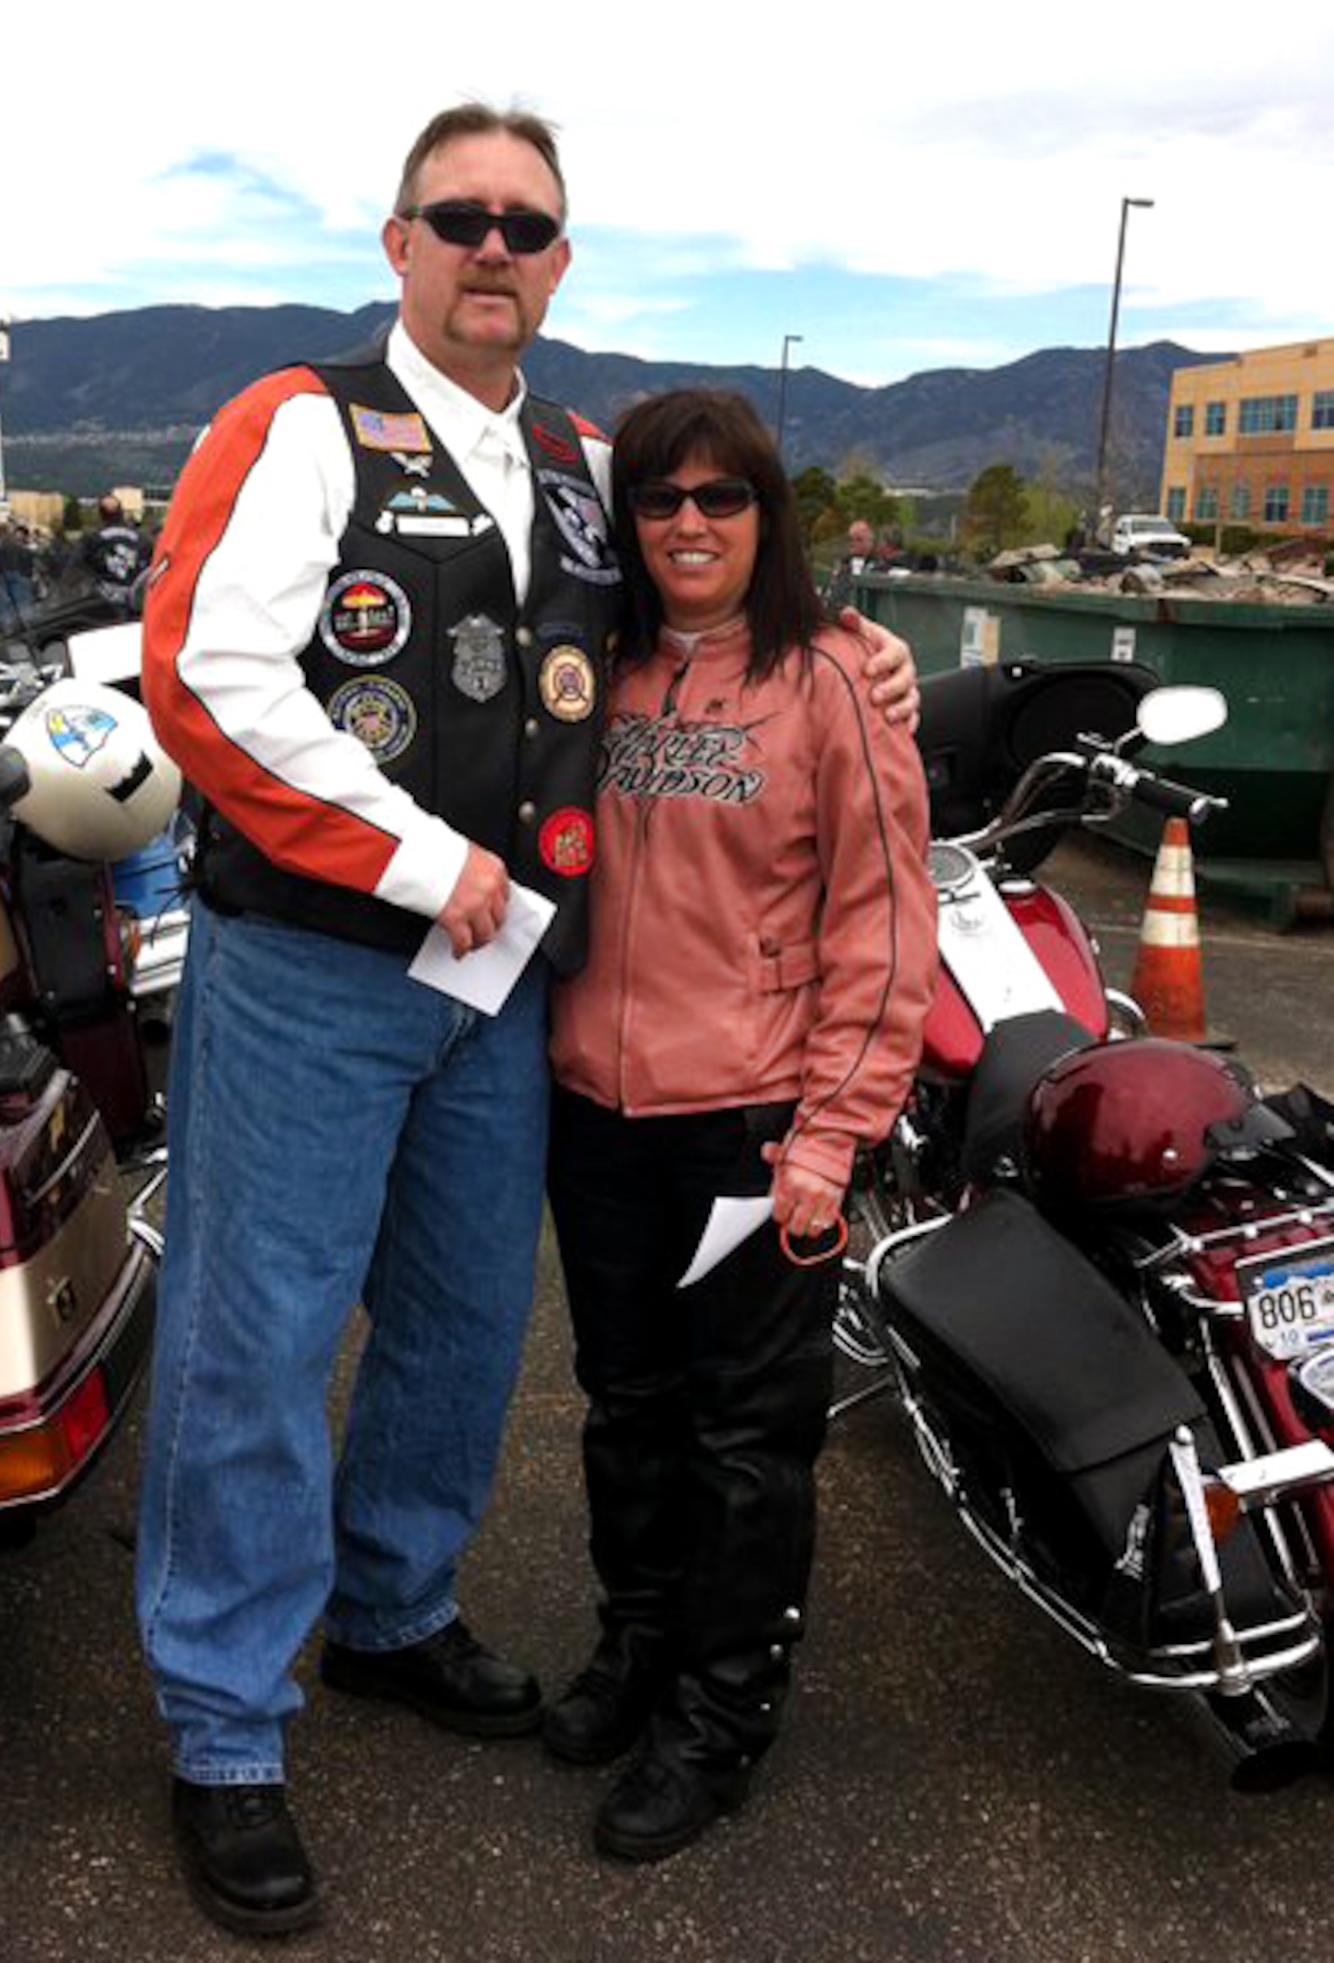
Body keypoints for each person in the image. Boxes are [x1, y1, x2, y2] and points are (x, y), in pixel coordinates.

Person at [137, 104, 919, 1937]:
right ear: (399, 242)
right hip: (320, 965)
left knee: (470, 1331)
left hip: (505, 1001)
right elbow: (207, 670)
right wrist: (421, 861)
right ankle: (225, 1724)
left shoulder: (579, 462)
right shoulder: (299, 421)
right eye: (459, 217)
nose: (493, 247)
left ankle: (397, 1609)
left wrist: (853, 645)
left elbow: (704, 603)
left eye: (527, 225)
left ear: (560, 264)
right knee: (256, 1342)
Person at [543, 389, 937, 1863]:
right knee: (626, 1412)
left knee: (745, 1446)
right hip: (597, 1118)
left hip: (756, 1133)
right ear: (627, 523)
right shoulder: (592, 672)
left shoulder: (834, 680)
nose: (689, 524)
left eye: (721, 498)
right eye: (659, 501)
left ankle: (720, 1716)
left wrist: (831, 1138)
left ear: (766, 516)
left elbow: (886, 934)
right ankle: (636, 1649)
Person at [78, 492, 150, 605]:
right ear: (121, 513)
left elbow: (79, 570)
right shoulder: (142, 540)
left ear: (100, 514)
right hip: (135, 606)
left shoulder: (93, 540)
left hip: (99, 606)